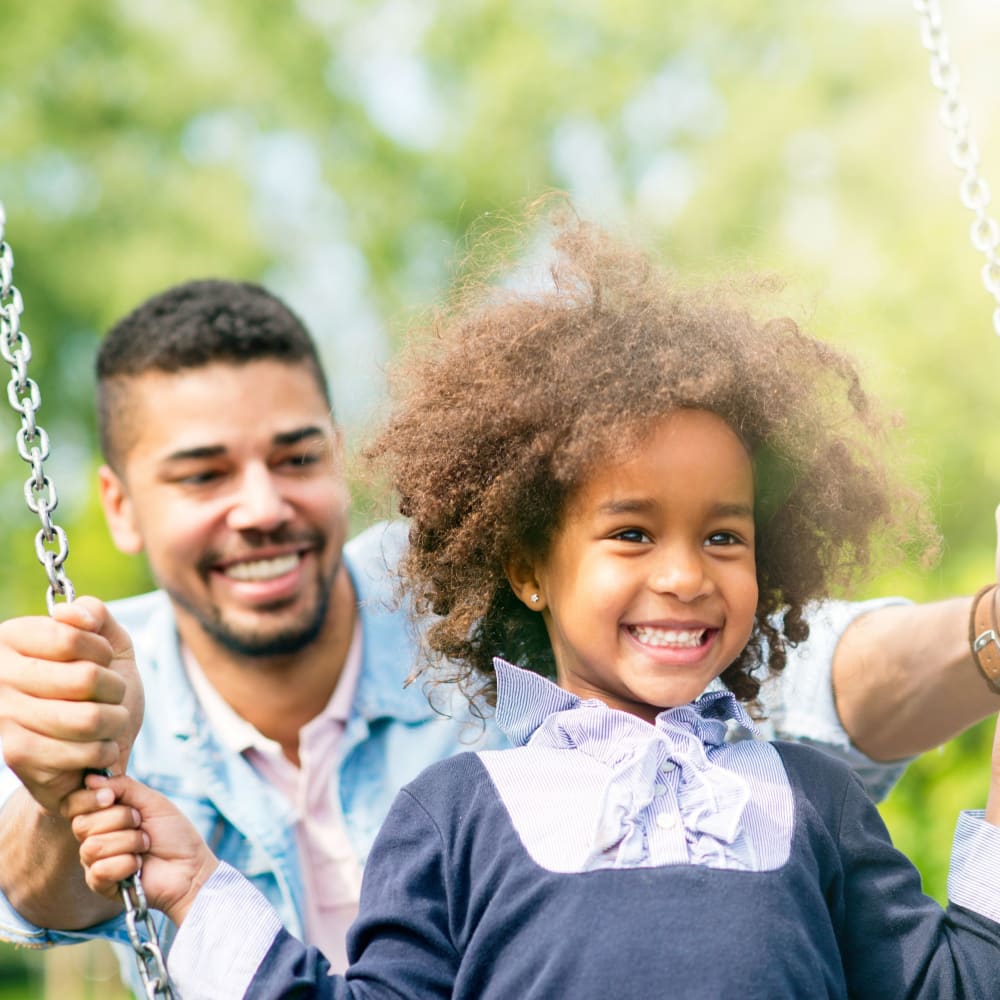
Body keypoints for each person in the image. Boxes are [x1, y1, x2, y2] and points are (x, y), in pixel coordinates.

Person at [68, 219, 1000, 997]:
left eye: (724, 538)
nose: (684, 576)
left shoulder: (808, 800)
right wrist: (197, 891)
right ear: (528, 570)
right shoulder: (455, 815)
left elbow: (963, 983)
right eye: (631, 535)